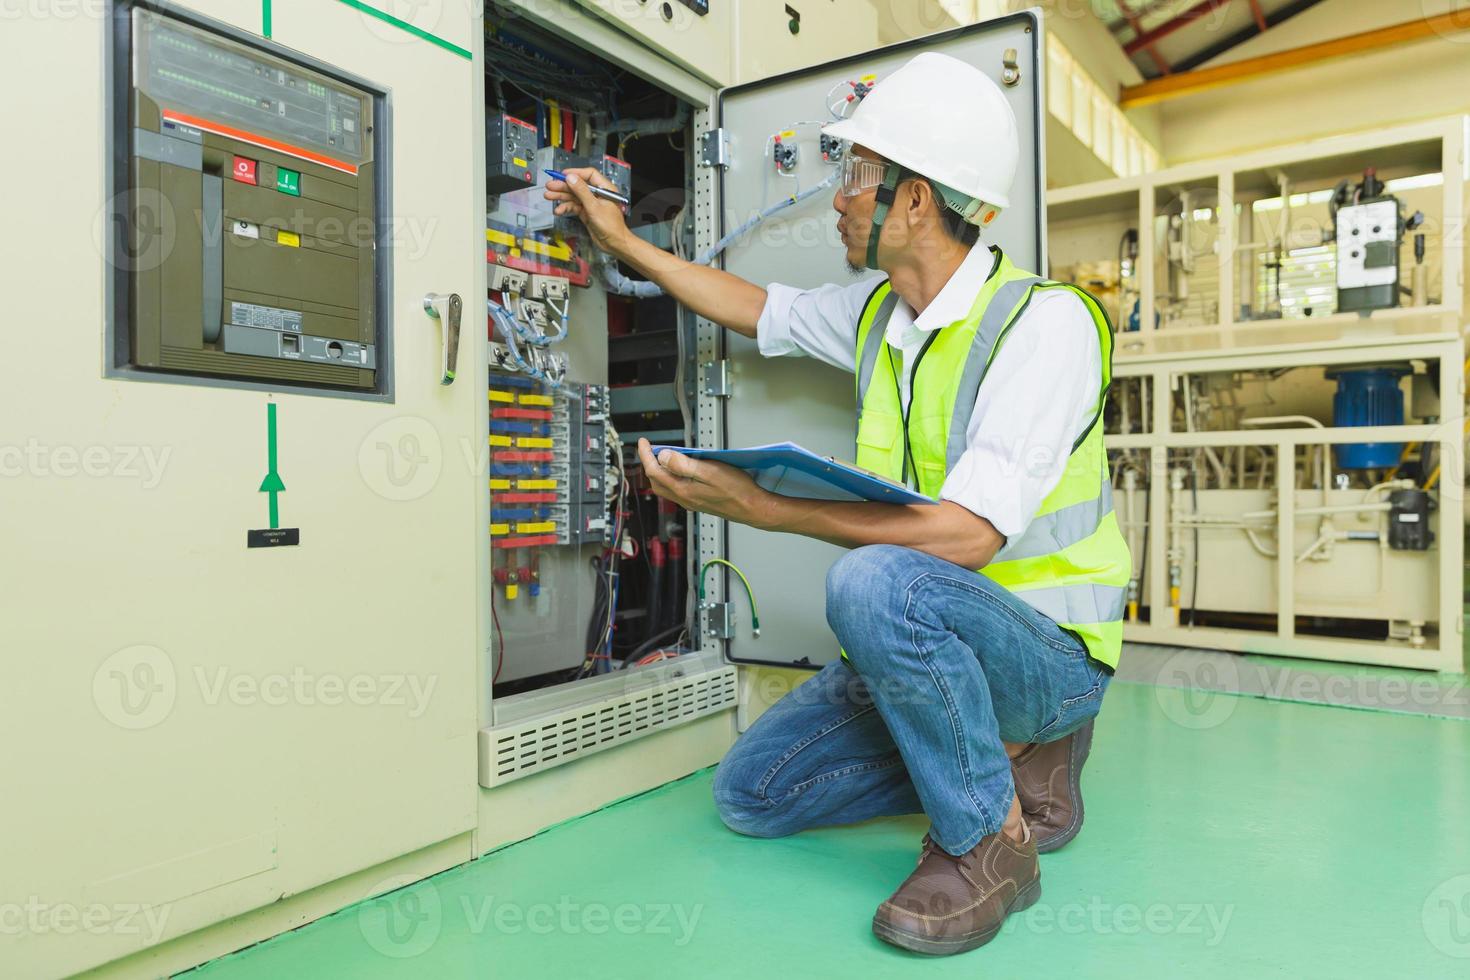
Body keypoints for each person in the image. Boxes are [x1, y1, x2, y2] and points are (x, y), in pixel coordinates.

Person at [545, 51, 1129, 956]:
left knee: (874, 582)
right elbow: (755, 306)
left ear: (917, 200)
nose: (839, 197)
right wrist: (623, 244)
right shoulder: (876, 314)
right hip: (942, 642)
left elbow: (969, 538)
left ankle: (989, 846)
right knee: (755, 793)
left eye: (858, 173)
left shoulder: (1041, 324)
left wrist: (767, 509)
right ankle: (1002, 764)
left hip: (1048, 655)